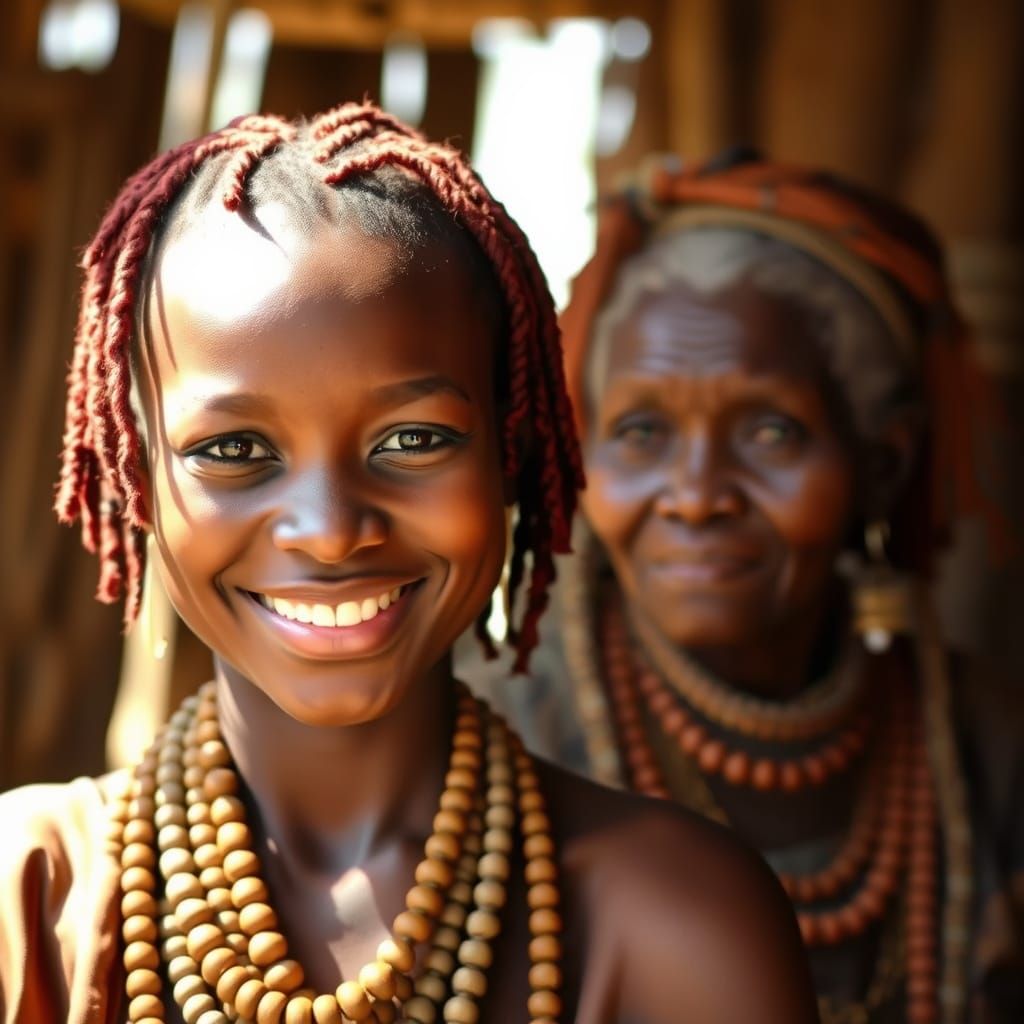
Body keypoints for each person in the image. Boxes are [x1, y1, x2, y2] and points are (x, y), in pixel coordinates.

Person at [0, 107, 817, 1024]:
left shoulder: (679, 926)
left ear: (513, 455)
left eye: (413, 439)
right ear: (133, 476)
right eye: (233, 450)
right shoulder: (27, 899)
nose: (330, 531)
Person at [476, 152, 1024, 1022]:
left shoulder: (986, 749)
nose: (697, 496)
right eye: (642, 430)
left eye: (771, 432)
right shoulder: (488, 740)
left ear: (882, 465)